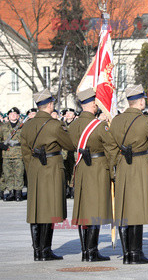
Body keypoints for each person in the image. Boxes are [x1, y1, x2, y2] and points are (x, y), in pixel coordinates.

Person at [109, 85, 148, 264]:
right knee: (138, 209)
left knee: (125, 209)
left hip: (122, 165)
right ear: (140, 101)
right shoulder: (145, 121)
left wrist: (113, 166)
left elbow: (110, 146)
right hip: (140, 165)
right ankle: (135, 253)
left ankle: (127, 253)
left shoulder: (116, 120)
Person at [20, 89, 75, 261]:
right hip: (51, 167)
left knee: (36, 209)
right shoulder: (55, 125)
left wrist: (32, 171)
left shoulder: (27, 125)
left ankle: (38, 250)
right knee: (49, 209)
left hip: (35, 168)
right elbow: (70, 144)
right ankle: (45, 250)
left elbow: (25, 152)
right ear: (50, 105)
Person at [69, 88, 116, 262]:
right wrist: (113, 172)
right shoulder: (99, 125)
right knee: (94, 210)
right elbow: (111, 148)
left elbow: (69, 144)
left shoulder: (73, 125)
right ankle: (92, 251)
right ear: (93, 104)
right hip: (97, 168)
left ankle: (85, 251)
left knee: (83, 210)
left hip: (81, 168)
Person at [0, 107, 25, 201]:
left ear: (18, 116)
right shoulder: (3, 127)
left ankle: (18, 193)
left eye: (15, 114)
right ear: (8, 116)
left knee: (19, 173)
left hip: (19, 153)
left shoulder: (22, 126)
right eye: (11, 114)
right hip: (6, 154)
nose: (13, 116)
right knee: (8, 174)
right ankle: (11, 192)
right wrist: (2, 145)